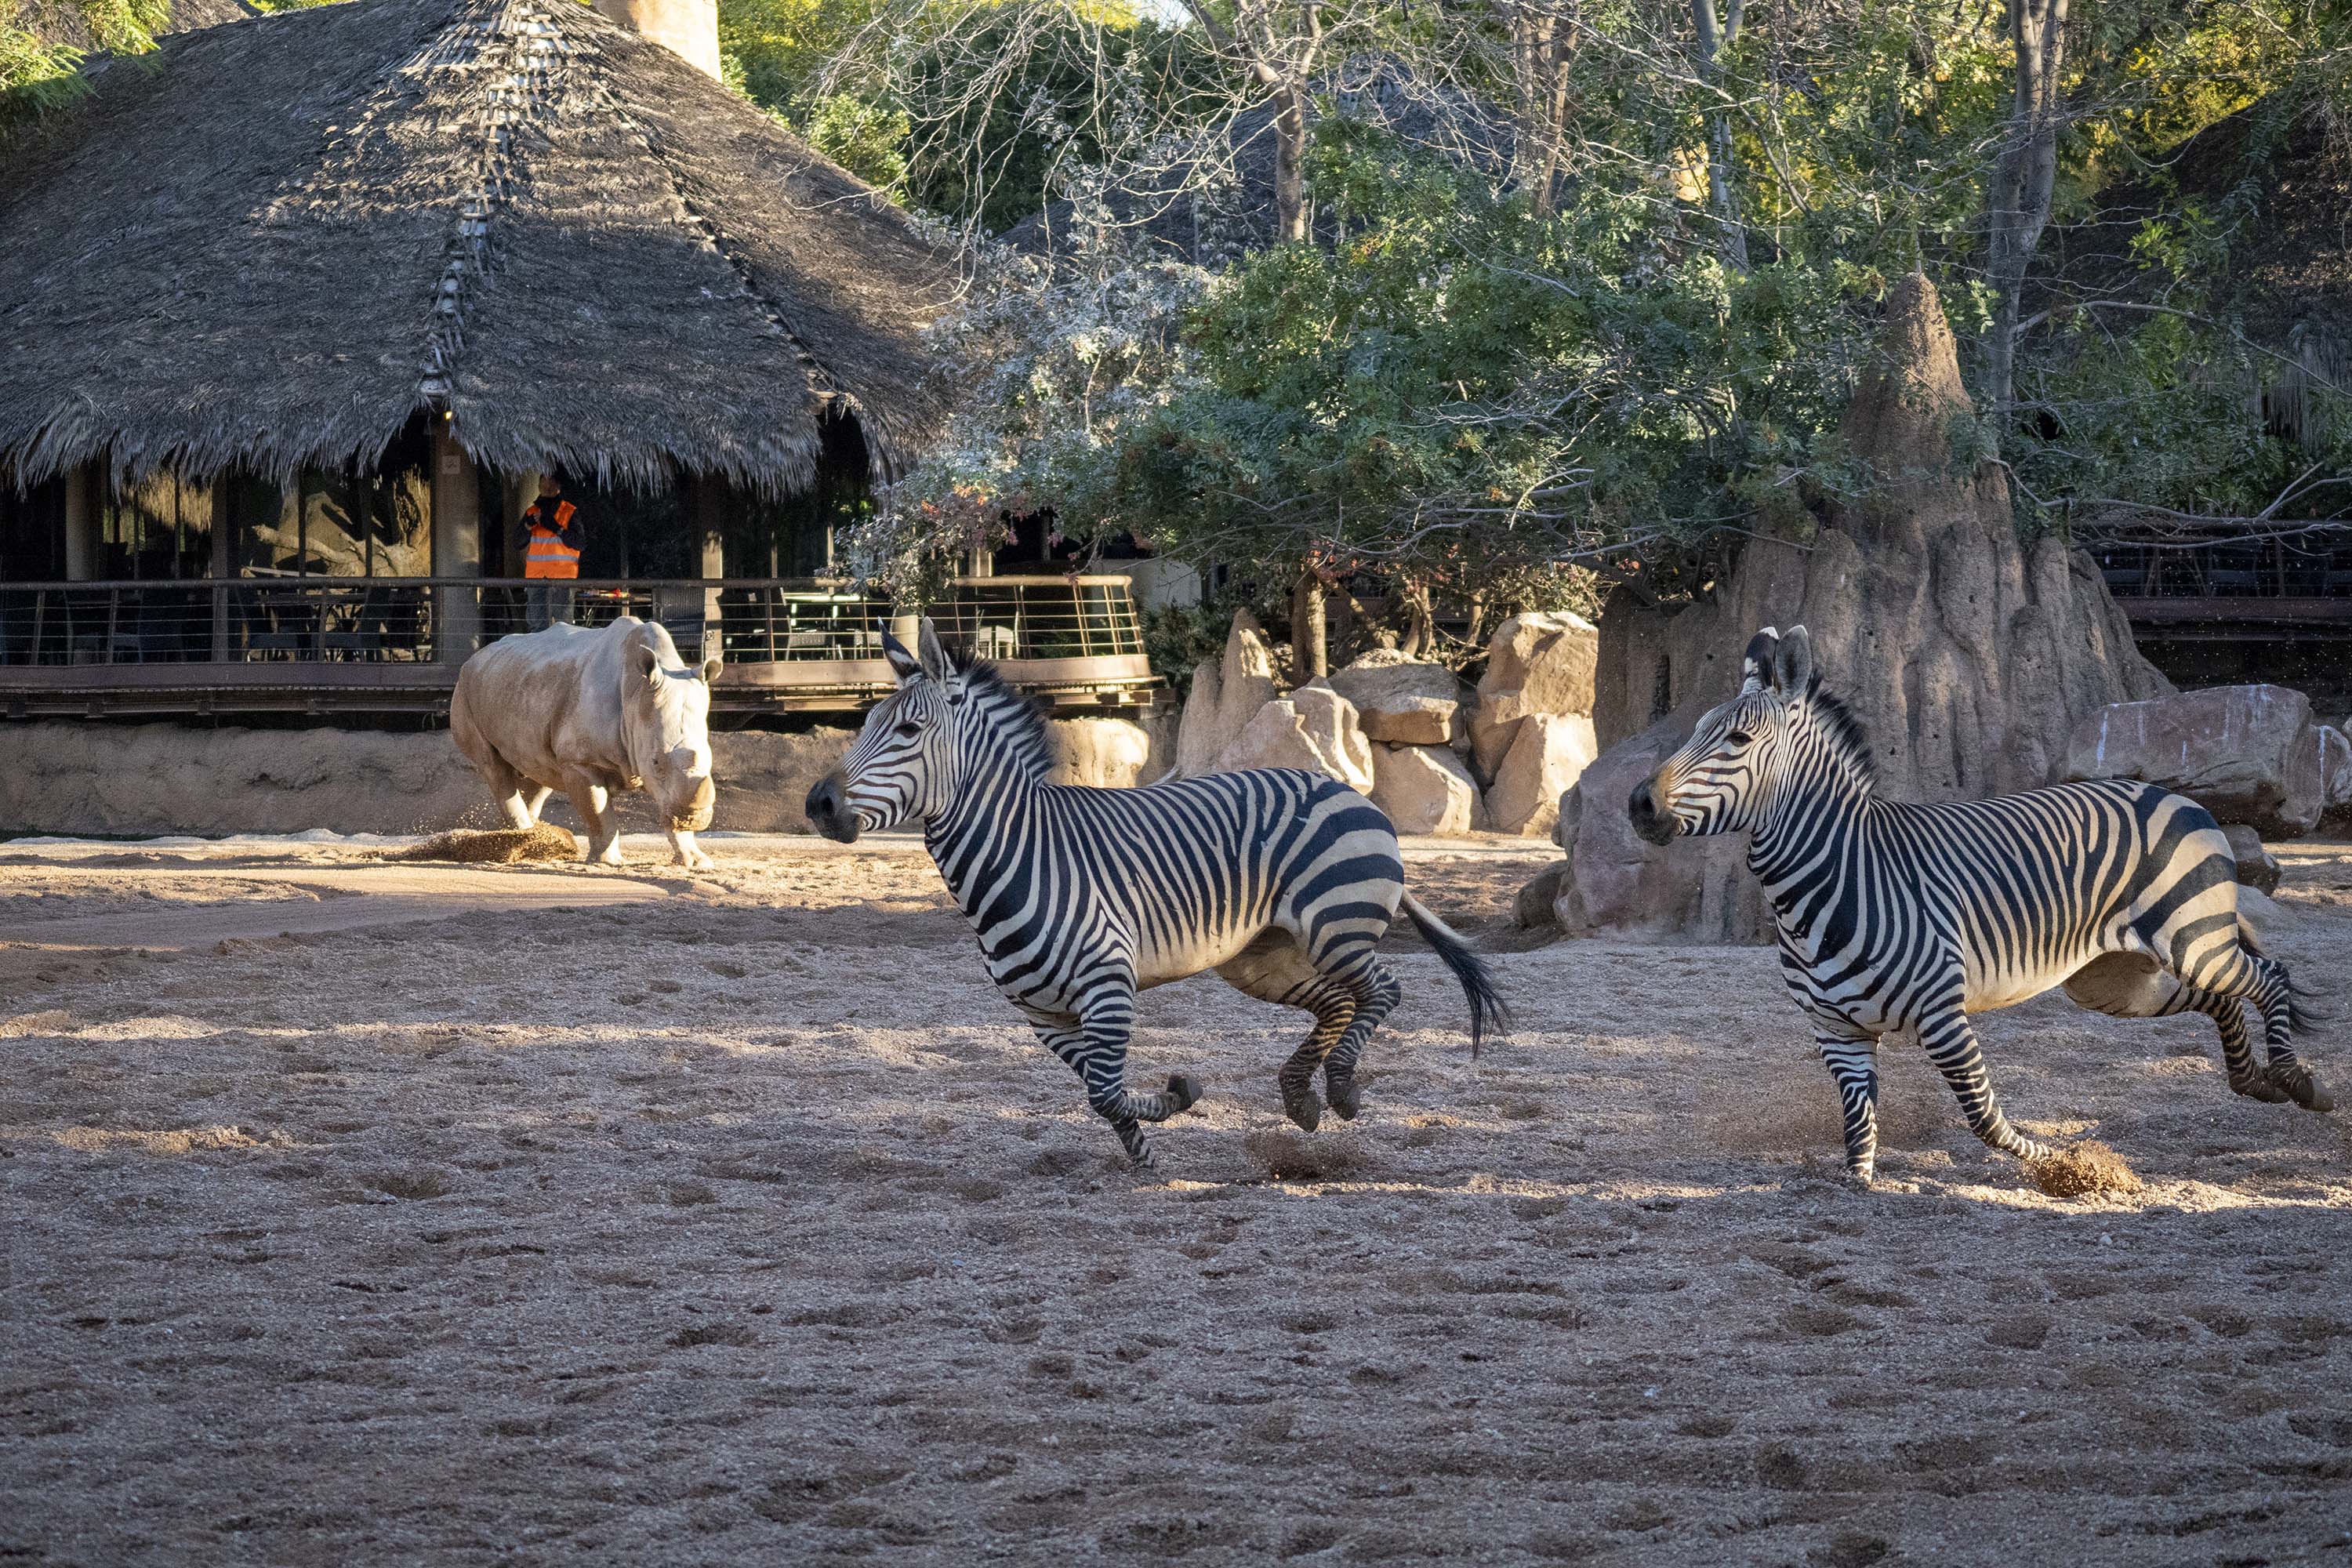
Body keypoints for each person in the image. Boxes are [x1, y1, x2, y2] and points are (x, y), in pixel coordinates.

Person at [517, 476, 582, 630]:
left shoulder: (569, 511)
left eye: (551, 483)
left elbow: (580, 542)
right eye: (544, 483)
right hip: (536, 578)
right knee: (537, 626)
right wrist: (528, 526)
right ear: (539, 486)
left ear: (558, 486)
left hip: (562, 578)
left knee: (564, 627)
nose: (547, 487)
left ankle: (564, 654)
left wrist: (555, 527)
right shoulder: (532, 512)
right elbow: (517, 542)